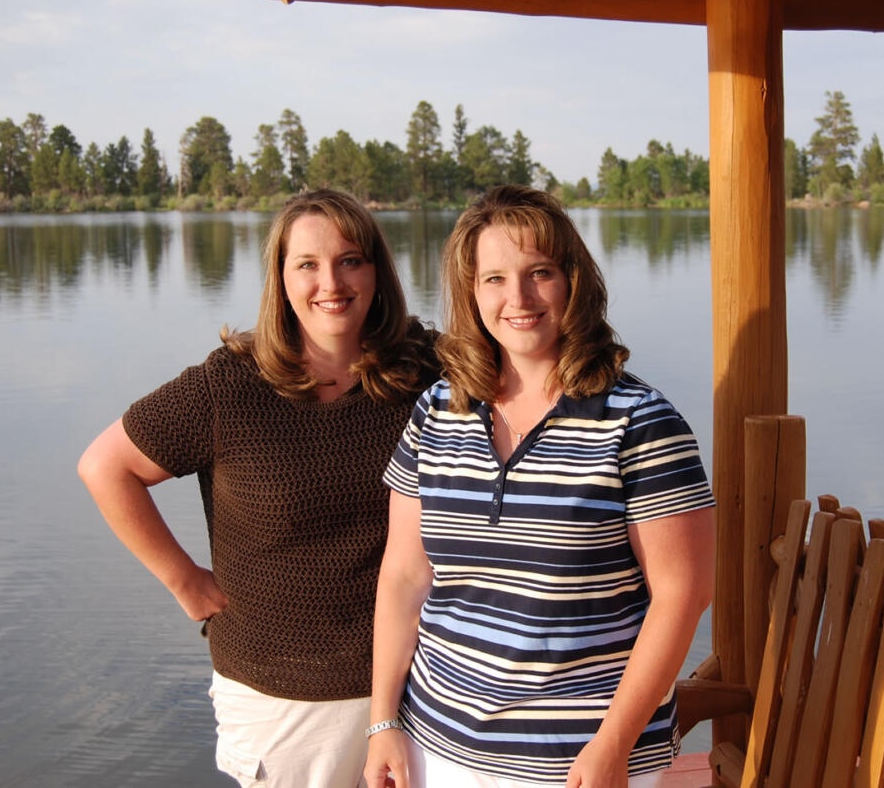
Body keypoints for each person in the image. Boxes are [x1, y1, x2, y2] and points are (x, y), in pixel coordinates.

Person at [77, 189, 437, 788]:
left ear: (377, 270)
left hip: (418, 689)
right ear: (280, 277)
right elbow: (105, 467)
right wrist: (183, 578)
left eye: (351, 259)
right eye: (308, 265)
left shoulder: (424, 376)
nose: (332, 282)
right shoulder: (229, 387)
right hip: (284, 702)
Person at [364, 185, 716, 788]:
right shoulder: (436, 411)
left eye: (539, 273)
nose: (518, 298)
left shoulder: (640, 421)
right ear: (470, 293)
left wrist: (614, 746)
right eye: (494, 278)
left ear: (574, 281)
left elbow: (683, 595)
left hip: (580, 760)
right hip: (436, 747)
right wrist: (381, 722)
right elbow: (404, 575)